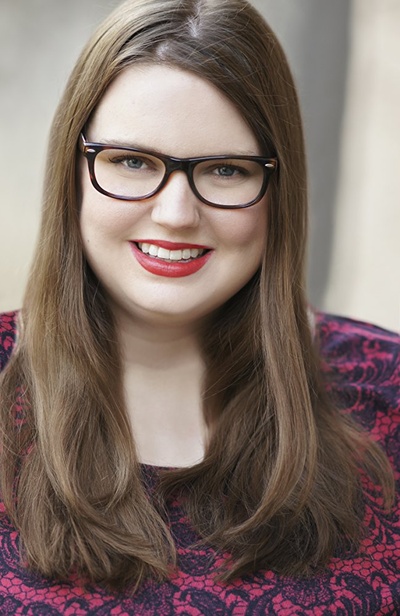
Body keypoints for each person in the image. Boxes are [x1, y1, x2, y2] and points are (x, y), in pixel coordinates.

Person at [0, 0, 399, 612]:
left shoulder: (388, 391)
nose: (176, 214)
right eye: (133, 161)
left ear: (278, 189)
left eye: (225, 171)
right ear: (72, 172)